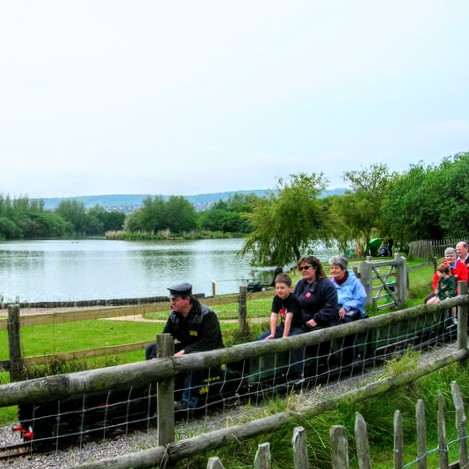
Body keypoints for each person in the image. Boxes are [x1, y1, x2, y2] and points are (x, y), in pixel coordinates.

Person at [145, 282, 224, 411]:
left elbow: (209, 342)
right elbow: (166, 335)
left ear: (187, 300)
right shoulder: (174, 315)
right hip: (187, 348)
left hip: (209, 351)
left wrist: (184, 351)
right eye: (171, 299)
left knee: (192, 359)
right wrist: (155, 356)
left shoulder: (207, 315)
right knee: (150, 349)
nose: (172, 303)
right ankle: (157, 391)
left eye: (175, 300)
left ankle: (188, 402)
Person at [259, 273, 304, 379]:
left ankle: (298, 373)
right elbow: (274, 315)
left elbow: (289, 318)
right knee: (262, 339)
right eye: (277, 288)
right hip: (283, 327)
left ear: (290, 288)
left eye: (282, 288)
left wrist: (284, 337)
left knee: (293, 342)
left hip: (296, 327)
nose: (279, 290)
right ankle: (266, 370)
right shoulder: (277, 298)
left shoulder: (292, 299)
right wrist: (273, 334)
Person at [293, 255, 339, 330]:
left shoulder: (327, 285)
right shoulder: (300, 284)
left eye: (306, 267)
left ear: (315, 268)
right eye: (301, 269)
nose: (303, 270)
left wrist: (316, 319)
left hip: (320, 325)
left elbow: (330, 306)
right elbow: (293, 301)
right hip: (300, 323)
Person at [329, 256, 367, 322]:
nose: (333, 271)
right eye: (332, 268)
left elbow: (361, 298)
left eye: (336, 268)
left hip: (353, 313)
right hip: (336, 312)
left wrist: (346, 307)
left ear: (344, 269)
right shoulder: (330, 284)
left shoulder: (354, 282)